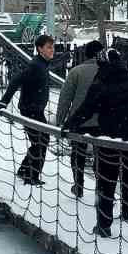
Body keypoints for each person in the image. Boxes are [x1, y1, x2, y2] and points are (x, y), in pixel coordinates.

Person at [63, 49, 128, 240]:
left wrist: (70, 124)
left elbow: (87, 108)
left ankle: (104, 225)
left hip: (109, 138)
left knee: (106, 182)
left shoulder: (101, 81)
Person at [0, 34, 55, 187]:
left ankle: (25, 170)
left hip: (35, 109)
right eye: (49, 47)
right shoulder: (36, 66)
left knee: (40, 141)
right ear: (40, 49)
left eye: (52, 47)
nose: (52, 50)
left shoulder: (42, 63)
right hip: (31, 110)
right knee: (41, 141)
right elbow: (16, 80)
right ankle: (31, 176)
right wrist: (4, 101)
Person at [55, 39, 104, 199]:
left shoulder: (76, 72)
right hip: (102, 121)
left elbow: (65, 98)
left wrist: (60, 120)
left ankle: (78, 185)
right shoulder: (107, 71)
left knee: (77, 154)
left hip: (79, 120)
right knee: (102, 156)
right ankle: (101, 188)